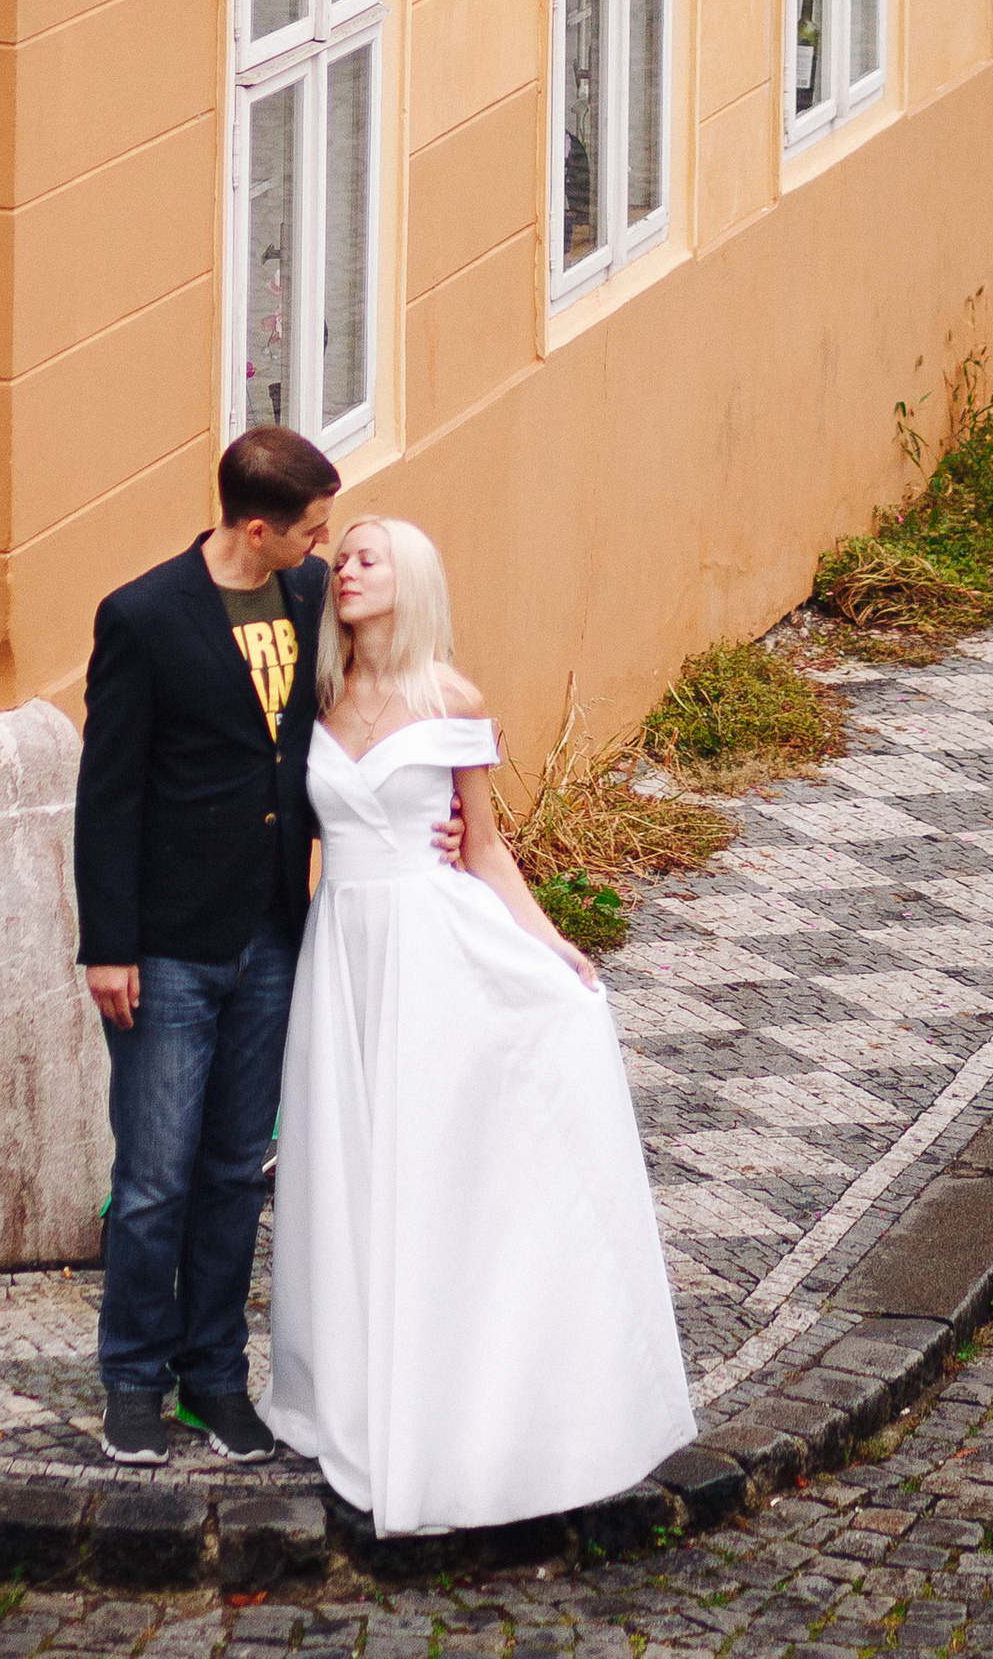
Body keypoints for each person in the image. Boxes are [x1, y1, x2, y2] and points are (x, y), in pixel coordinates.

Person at [265, 516, 697, 1535]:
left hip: (432, 945)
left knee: (432, 1164)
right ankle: (351, 1393)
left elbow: (486, 848)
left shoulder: (451, 699)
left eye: (368, 556)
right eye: (343, 556)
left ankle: (469, 1391)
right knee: (346, 1164)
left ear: (409, 581)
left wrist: (550, 944)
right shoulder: (314, 697)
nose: (347, 568)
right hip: (343, 952)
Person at [72, 423, 342, 1467]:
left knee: (236, 1168)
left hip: (274, 931)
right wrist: (110, 945)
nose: (324, 544)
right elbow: (111, 793)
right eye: (311, 529)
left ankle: (215, 1380)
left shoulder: (308, 598)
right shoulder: (144, 617)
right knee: (154, 1180)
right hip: (170, 946)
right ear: (258, 525)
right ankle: (133, 1383)